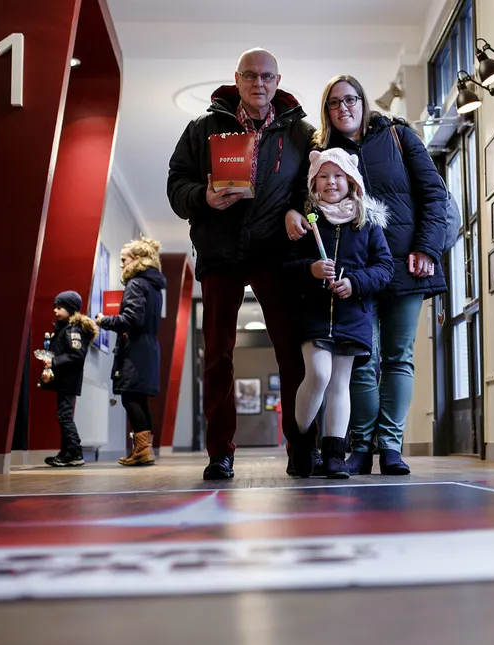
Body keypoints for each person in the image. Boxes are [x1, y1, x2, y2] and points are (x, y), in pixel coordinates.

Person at [167, 48, 319, 480]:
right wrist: (204, 197)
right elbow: (176, 184)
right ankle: (220, 452)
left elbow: (315, 187)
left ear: (278, 80)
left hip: (277, 254)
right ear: (237, 79)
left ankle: (300, 444)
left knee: (292, 354)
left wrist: (298, 210)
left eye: (267, 76)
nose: (259, 83)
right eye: (250, 75)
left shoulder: (302, 133)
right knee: (217, 356)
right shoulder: (202, 128)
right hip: (220, 253)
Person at [286, 75, 448, 475]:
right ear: (326, 110)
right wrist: (291, 211)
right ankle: (358, 445)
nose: (344, 108)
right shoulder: (322, 152)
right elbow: (301, 197)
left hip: (406, 264)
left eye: (351, 99)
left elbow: (434, 192)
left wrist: (427, 247)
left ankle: (390, 446)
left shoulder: (398, 136)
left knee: (398, 358)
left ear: (363, 102)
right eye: (334, 102)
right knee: (357, 360)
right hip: (352, 273)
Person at [285, 149, 392, 478]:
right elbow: (285, 269)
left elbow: (384, 268)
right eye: (323, 176)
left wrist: (355, 282)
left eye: (338, 175)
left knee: (339, 384)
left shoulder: (368, 223)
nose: (331, 182)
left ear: (351, 180)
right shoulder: (305, 223)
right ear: (313, 183)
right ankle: (303, 444)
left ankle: (334, 453)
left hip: (352, 315)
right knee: (318, 374)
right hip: (314, 315)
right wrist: (311, 269)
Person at [96, 237, 167, 467]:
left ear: (137, 259)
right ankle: (144, 449)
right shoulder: (154, 287)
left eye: (123, 259)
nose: (120, 264)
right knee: (140, 399)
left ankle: (142, 450)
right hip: (148, 348)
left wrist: (104, 320)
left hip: (135, 349)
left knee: (130, 398)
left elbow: (132, 319)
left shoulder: (136, 284)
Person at [40, 291, 98, 467]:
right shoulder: (65, 328)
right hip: (63, 379)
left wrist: (54, 361)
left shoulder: (73, 331)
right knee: (63, 415)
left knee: (65, 416)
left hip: (68, 379)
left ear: (70, 309)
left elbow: (76, 356)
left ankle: (74, 452)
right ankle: (66, 452)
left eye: (60, 307)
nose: (55, 311)